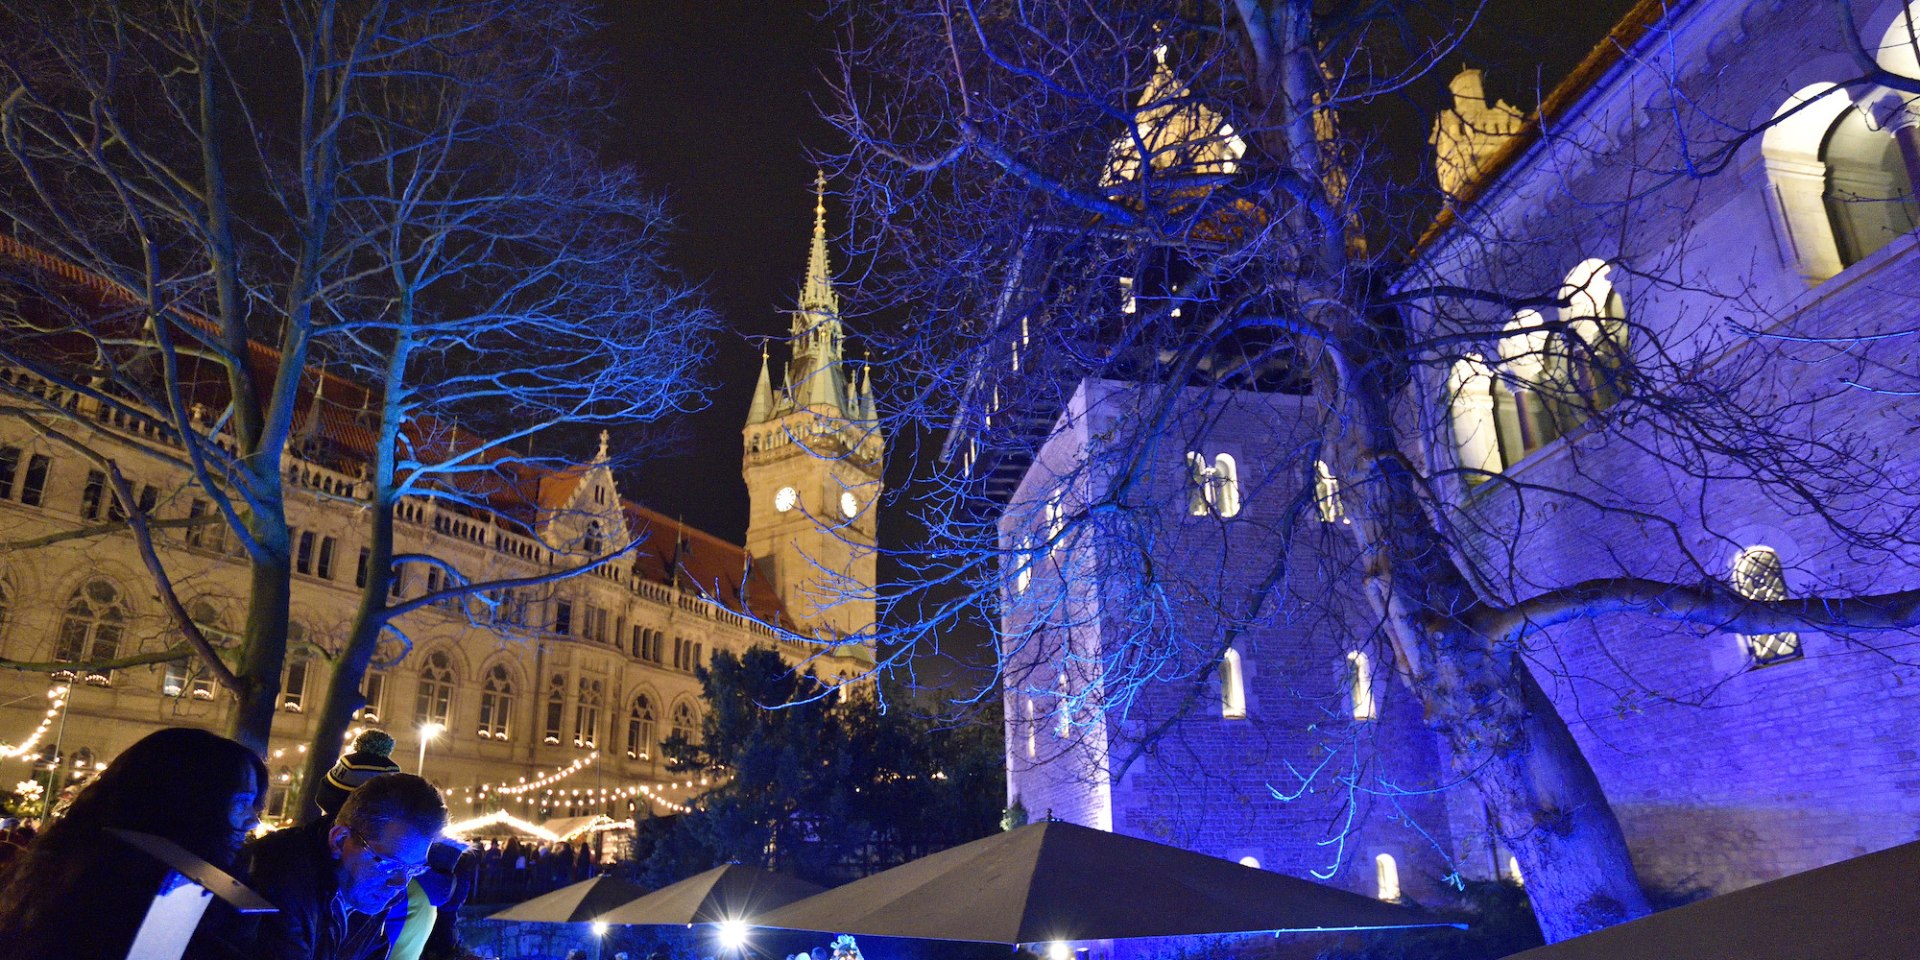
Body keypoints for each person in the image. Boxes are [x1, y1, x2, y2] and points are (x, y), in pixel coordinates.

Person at [0, 727, 266, 960]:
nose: (252, 821)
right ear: (186, 806)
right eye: (241, 803)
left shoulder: (65, 871)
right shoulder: (146, 899)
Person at [240, 771, 448, 960]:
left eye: (414, 869)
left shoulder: (368, 889)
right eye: (389, 864)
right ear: (340, 840)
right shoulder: (281, 881)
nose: (400, 883)